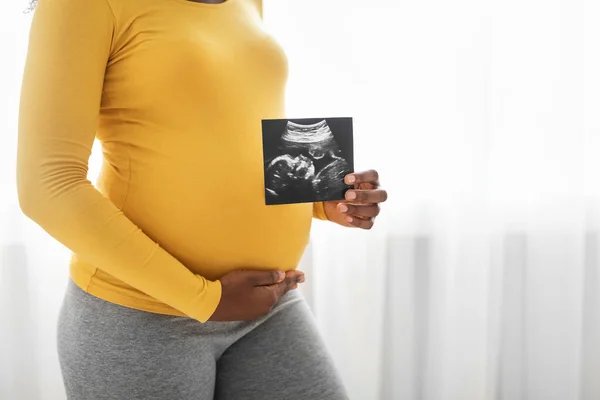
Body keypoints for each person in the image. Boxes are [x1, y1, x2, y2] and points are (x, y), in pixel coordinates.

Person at [17, 0, 388, 398]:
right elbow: (48, 185)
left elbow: (224, 129)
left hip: (267, 302)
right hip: (142, 316)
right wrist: (204, 299)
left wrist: (320, 196)